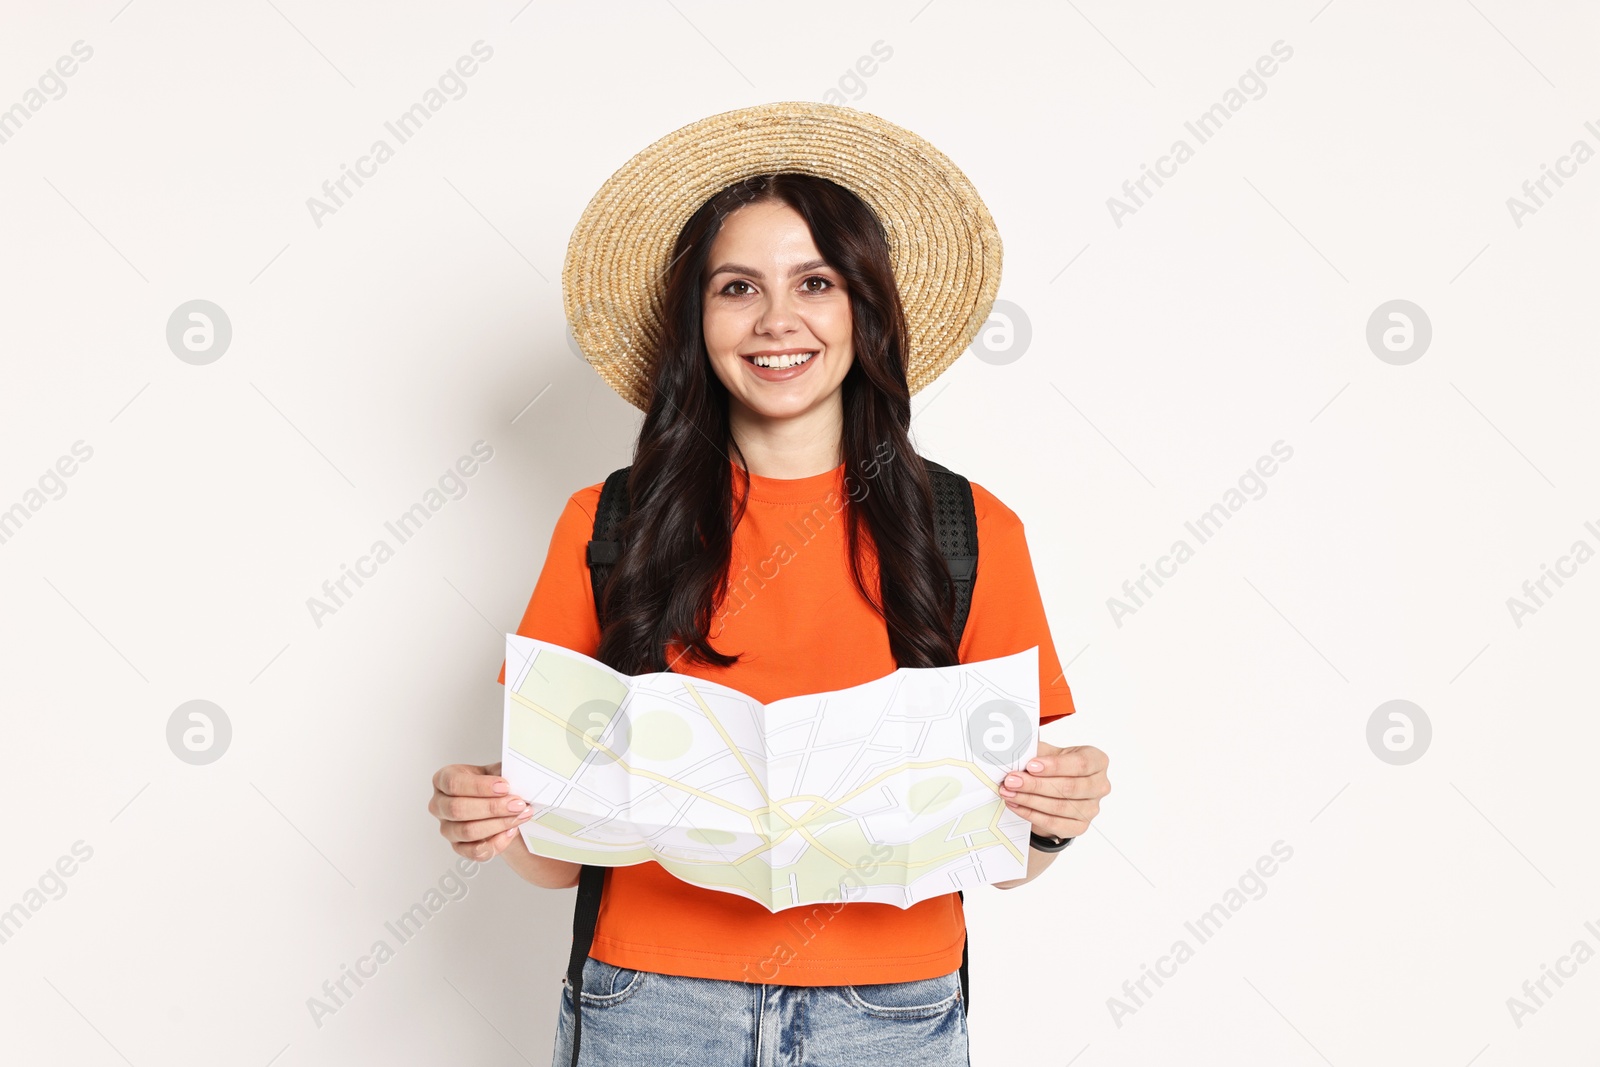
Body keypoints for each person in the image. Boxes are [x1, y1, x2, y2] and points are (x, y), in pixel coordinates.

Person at [428, 102, 1111, 1066]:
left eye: (816, 282)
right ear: (696, 319)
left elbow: (1004, 852)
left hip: (889, 1011)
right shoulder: (606, 524)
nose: (777, 320)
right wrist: (489, 819)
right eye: (738, 286)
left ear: (863, 309)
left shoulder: (967, 529)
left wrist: (1056, 820)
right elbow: (553, 856)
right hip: (651, 1001)